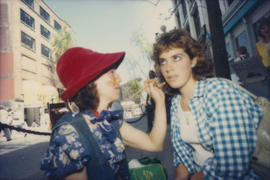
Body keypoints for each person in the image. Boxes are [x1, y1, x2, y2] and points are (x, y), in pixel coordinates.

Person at [151, 29, 263, 179]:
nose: (168, 68)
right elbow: (181, 156)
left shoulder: (219, 92)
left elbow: (233, 165)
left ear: (193, 60)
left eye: (176, 58)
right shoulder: (176, 103)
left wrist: (194, 178)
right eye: (163, 61)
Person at [40, 47, 166, 180]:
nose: (119, 78)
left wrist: (160, 100)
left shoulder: (109, 121)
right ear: (89, 82)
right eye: (111, 73)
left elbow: (154, 144)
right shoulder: (70, 133)